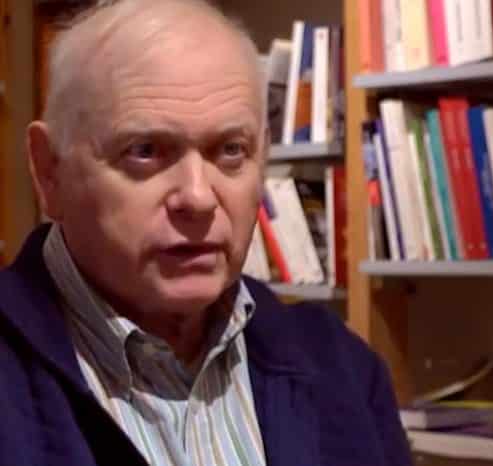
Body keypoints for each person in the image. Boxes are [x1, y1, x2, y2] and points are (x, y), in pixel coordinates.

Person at [0, 1, 411, 465]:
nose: (198, 198)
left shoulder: (343, 367)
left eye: (231, 150)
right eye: (145, 151)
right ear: (49, 171)